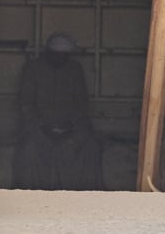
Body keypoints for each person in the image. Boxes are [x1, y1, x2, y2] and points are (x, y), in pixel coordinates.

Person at [12, 33, 103, 190]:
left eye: (64, 56)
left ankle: (83, 197)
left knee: (90, 148)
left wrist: (70, 126)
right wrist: (43, 127)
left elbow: (82, 104)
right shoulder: (33, 69)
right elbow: (26, 105)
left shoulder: (74, 69)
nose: (61, 59)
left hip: (70, 128)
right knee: (29, 151)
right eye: (57, 56)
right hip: (38, 129)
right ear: (49, 53)